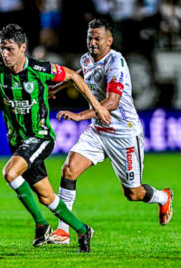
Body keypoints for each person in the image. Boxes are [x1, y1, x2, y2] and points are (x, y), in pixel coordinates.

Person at [0, 23, 110, 253]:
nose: (5, 55)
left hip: (40, 137)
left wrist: (97, 105)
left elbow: (72, 76)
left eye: (9, 49)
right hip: (17, 140)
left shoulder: (39, 68)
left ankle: (40, 224)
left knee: (9, 172)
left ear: (23, 48)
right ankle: (82, 229)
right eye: (2, 49)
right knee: (47, 197)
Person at [47, 19, 173, 246]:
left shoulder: (116, 62)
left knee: (132, 193)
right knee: (69, 170)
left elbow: (112, 101)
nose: (92, 43)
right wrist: (58, 87)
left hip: (123, 134)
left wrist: (79, 116)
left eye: (97, 39)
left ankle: (163, 197)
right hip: (98, 130)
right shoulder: (86, 58)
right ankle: (63, 230)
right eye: (89, 38)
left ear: (109, 41)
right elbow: (81, 73)